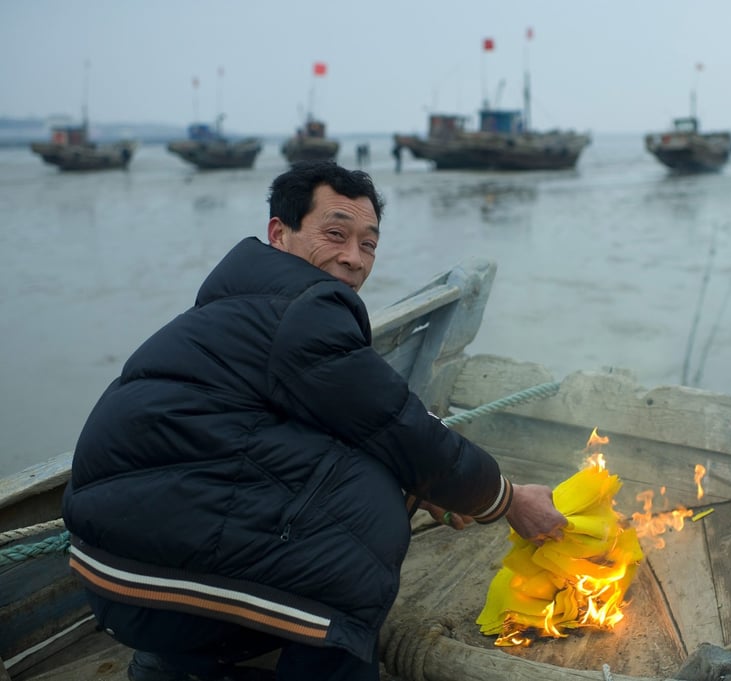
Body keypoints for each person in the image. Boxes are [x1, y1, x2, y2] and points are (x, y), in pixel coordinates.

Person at [61, 160, 567, 681]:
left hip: (107, 565)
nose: (353, 258)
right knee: (366, 509)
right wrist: (507, 499)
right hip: (149, 579)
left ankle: (179, 664)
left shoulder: (251, 301)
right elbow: (402, 427)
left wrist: (433, 487)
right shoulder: (304, 313)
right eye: (334, 234)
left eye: (367, 244)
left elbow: (358, 423)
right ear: (279, 234)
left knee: (368, 468)